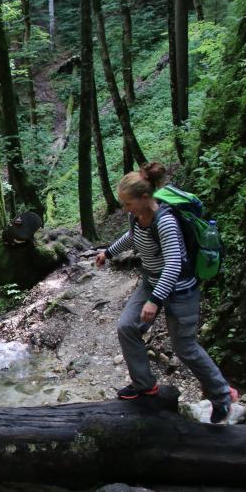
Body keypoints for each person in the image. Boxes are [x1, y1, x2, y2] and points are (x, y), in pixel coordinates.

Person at [96, 163, 235, 424]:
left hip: (180, 289)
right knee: (127, 326)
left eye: (128, 204)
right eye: (123, 204)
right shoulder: (136, 217)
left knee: (185, 348)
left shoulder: (167, 222)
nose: (125, 209)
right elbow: (131, 237)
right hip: (151, 282)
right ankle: (144, 385)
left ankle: (221, 396)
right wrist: (109, 252)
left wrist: (154, 300)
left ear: (146, 198)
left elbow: (174, 265)